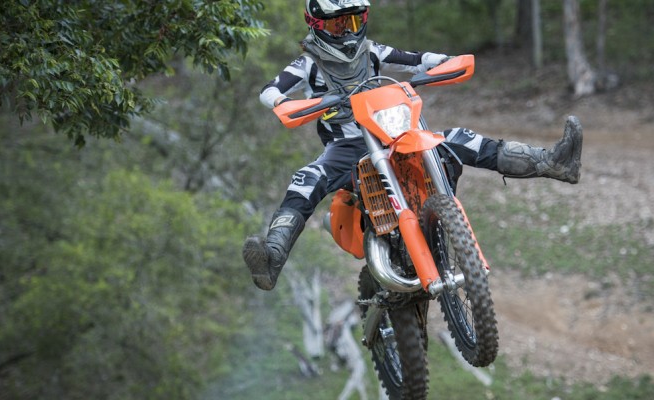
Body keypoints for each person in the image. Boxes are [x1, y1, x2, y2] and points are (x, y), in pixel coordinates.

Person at [243, 0, 583, 290]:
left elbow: (416, 58)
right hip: (346, 146)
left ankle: (552, 162)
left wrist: (442, 63)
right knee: (306, 179)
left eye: (353, 21)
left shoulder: (373, 51)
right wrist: (285, 103)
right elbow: (269, 90)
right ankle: (272, 258)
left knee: (459, 138)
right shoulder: (307, 64)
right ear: (317, 25)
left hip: (394, 132)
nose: (347, 31)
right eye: (337, 24)